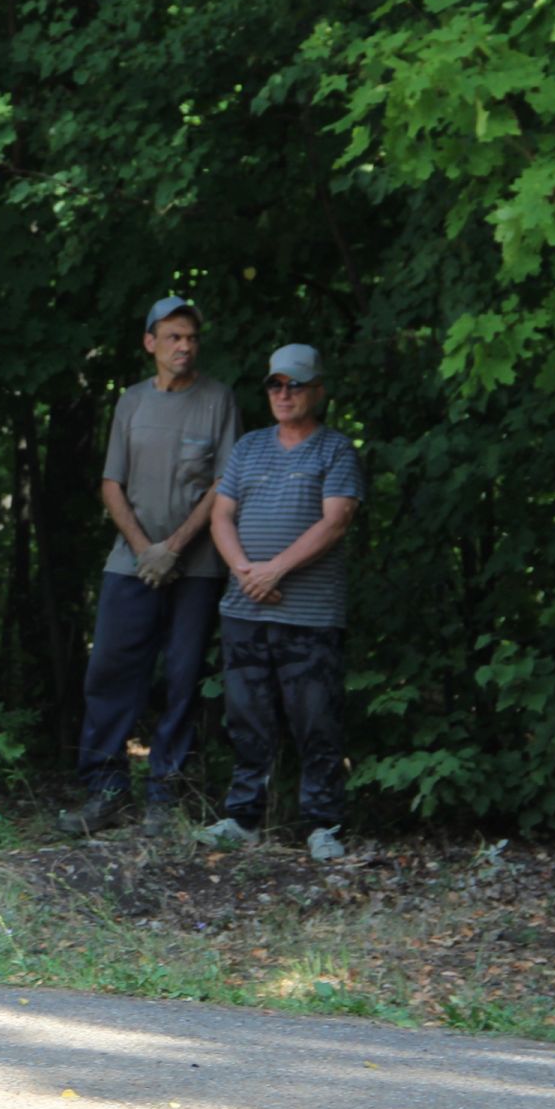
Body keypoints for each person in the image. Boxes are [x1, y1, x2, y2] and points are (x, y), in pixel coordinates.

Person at [58, 296, 240, 837]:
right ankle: (105, 791)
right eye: (173, 337)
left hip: (198, 568)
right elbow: (111, 484)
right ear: (150, 343)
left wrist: (175, 548)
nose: (184, 346)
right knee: (110, 672)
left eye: (191, 338)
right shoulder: (131, 402)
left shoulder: (219, 400)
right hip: (129, 565)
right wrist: (144, 550)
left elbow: (224, 483)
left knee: (183, 678)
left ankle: (166, 796)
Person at [197, 344, 362, 862]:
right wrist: (246, 571)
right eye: (275, 384)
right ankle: (244, 818)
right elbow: (221, 515)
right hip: (244, 608)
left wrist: (275, 569)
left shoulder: (335, 450)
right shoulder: (248, 447)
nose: (284, 394)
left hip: (309, 615)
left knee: (316, 719)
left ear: (318, 390)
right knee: (246, 716)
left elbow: (335, 520)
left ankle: (322, 824)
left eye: (295, 384)